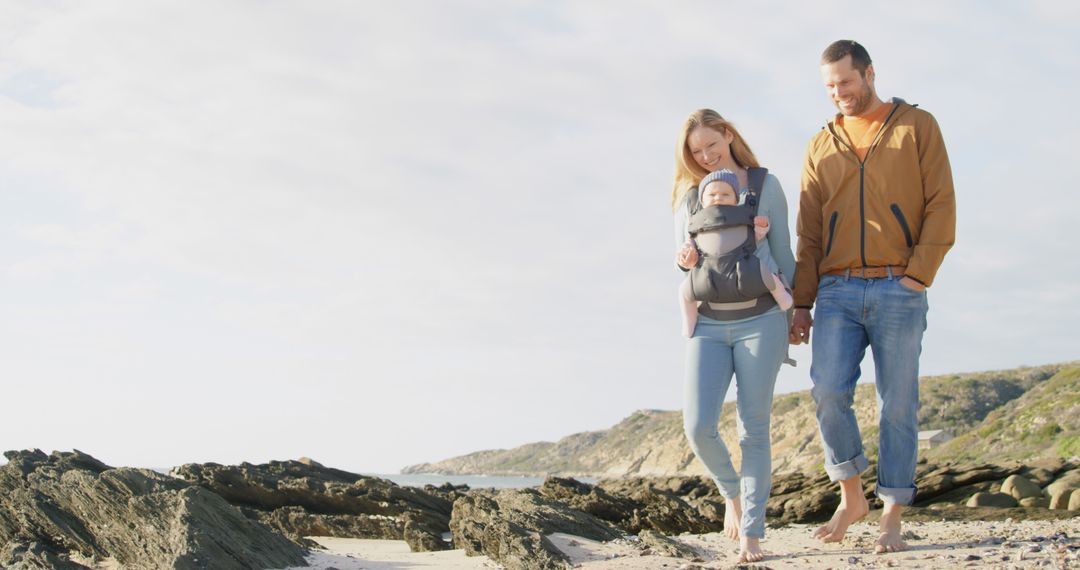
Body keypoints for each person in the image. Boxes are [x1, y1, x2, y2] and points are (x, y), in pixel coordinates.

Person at [790, 40, 956, 554]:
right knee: (828, 393)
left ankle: (892, 515)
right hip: (837, 289)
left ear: (869, 74)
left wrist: (918, 275)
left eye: (846, 81)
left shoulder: (916, 126)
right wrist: (802, 301)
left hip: (897, 286)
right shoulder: (820, 144)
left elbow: (941, 203)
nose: (838, 93)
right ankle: (852, 495)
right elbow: (810, 232)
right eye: (829, 86)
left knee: (898, 405)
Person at [672, 109, 795, 563]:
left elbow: (782, 250)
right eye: (696, 152)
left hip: (761, 320)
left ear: (728, 134)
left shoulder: (765, 186)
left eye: (711, 145)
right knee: (698, 426)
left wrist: (796, 311)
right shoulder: (690, 198)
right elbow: (687, 261)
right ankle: (732, 494)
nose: (705, 157)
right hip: (707, 323)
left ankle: (752, 535)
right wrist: (682, 259)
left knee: (753, 430)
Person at [679, 168, 793, 337]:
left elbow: (755, 238)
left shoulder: (742, 217)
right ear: (702, 200)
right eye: (712, 195)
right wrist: (685, 258)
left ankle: (783, 297)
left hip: (744, 265)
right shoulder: (696, 223)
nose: (718, 197)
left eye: (725, 194)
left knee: (767, 275)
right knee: (684, 291)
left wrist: (762, 228)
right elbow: (688, 245)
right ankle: (689, 321)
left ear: (735, 199)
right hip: (708, 271)